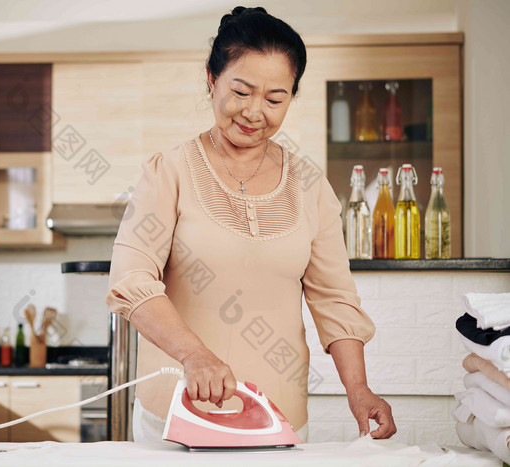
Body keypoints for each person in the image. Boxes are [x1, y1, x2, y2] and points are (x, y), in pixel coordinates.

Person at [105, 6, 396, 443]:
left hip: (280, 420)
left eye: (275, 99)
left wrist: (358, 389)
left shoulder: (311, 187)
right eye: (241, 91)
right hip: (174, 418)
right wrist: (194, 355)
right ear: (212, 78)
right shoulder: (168, 172)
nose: (255, 112)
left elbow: (334, 300)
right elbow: (131, 279)